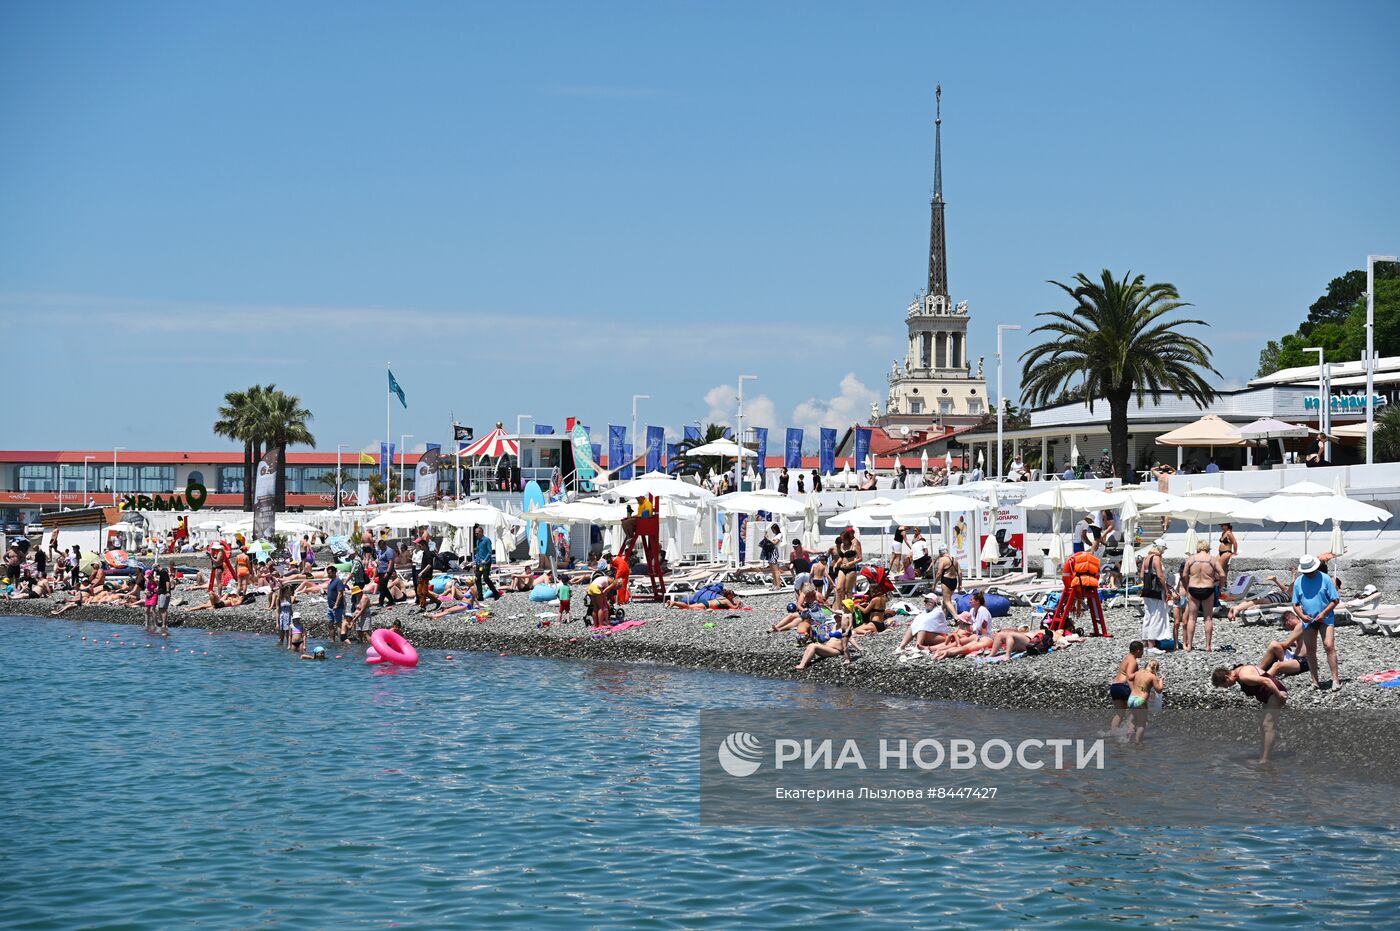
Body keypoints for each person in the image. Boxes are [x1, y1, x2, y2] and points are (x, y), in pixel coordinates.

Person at [1211, 664, 1286, 763]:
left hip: (1274, 693)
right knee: (1263, 726)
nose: (1228, 687)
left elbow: (1267, 680)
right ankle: (1262, 756)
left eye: (1226, 685)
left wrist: (1279, 695)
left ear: (1226, 677)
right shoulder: (1238, 673)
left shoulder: (1243, 676)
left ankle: (1265, 760)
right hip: (1268, 696)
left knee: (1268, 725)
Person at [1288, 553, 1341, 689]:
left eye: (1310, 571)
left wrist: (1324, 613)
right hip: (1308, 619)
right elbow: (1295, 604)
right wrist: (1301, 615)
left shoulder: (1326, 579)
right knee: (1310, 650)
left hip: (1326, 617)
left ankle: (1335, 679)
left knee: (1329, 645)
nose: (1309, 574)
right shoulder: (1299, 581)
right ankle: (1314, 681)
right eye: (1307, 572)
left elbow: (1335, 600)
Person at [1180, 540, 1224, 651]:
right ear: (1207, 548)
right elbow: (1222, 574)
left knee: (1192, 618)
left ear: (1198, 547)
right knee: (1208, 618)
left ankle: (1189, 645)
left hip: (1193, 588)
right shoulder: (1212, 559)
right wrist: (1220, 586)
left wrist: (1186, 586)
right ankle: (1208, 646)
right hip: (1208, 588)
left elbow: (1184, 574)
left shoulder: (1191, 559)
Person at [1108, 641, 1145, 735]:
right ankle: (1130, 733)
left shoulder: (1126, 658)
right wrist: (1134, 692)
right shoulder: (1132, 661)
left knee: (1120, 714)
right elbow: (1129, 677)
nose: (1143, 653)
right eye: (1142, 650)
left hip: (1115, 687)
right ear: (1137, 650)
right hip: (1123, 687)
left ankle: (1113, 733)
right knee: (1136, 711)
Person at [1140, 541, 1172, 647]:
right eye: (1164, 549)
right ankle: (1151, 644)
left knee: (1148, 615)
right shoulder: (1156, 558)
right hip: (1156, 591)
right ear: (1160, 548)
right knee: (1156, 615)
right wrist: (1166, 590)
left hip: (1147, 590)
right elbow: (1160, 576)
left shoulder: (1146, 558)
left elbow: (1141, 576)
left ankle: (1145, 641)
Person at [1126, 661, 1164, 745]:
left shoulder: (1137, 672)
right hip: (1141, 700)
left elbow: (1129, 678)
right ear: (1155, 669)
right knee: (1141, 723)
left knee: (1132, 720)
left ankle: (1128, 739)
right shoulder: (1152, 676)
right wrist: (1161, 680)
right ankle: (1138, 743)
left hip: (1131, 698)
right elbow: (1159, 690)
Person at [831, 528, 863, 605]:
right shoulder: (842, 545)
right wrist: (837, 564)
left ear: (847, 539)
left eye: (843, 539)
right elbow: (842, 557)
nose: (842, 541)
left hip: (851, 569)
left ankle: (848, 610)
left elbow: (860, 558)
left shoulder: (855, 544)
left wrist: (851, 563)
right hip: (842, 568)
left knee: (848, 591)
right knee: (839, 589)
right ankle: (839, 608)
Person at [932, 542, 960, 621]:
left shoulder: (942, 559)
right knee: (946, 600)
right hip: (954, 581)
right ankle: (943, 619)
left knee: (947, 601)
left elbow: (939, 573)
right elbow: (960, 572)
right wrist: (960, 584)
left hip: (946, 580)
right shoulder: (954, 559)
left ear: (940, 552)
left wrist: (934, 584)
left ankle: (956, 618)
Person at [472, 526, 501, 600]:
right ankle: (480, 596)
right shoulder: (477, 541)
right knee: (477, 579)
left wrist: (485, 560)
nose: (476, 534)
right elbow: (478, 552)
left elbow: (489, 552)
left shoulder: (487, 540)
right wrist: (476, 562)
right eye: (475, 533)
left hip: (486, 562)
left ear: (481, 532)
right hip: (479, 562)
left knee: (485, 578)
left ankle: (495, 593)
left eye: (477, 533)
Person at [324, 565, 347, 641]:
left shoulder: (338, 581)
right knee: (330, 624)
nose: (328, 575)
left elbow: (340, 593)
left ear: (334, 572)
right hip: (330, 607)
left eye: (329, 573)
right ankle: (332, 640)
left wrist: (336, 604)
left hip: (337, 607)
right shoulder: (331, 582)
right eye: (328, 573)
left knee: (338, 624)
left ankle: (341, 640)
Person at [760, 523, 784, 589]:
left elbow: (775, 543)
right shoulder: (775, 535)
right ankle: (775, 584)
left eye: (773, 530)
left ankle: (778, 585)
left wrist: (768, 539)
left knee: (776, 570)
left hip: (774, 552)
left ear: (776, 529)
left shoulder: (779, 535)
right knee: (773, 570)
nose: (773, 531)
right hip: (771, 552)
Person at [375, 538, 398, 607]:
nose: (381, 548)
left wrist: (388, 573)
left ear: (384, 545)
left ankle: (381, 602)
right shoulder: (380, 551)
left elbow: (391, 562)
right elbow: (378, 558)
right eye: (380, 547)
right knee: (383, 587)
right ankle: (390, 600)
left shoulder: (389, 551)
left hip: (386, 571)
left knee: (382, 587)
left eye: (382, 547)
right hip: (380, 571)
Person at [276, 583, 296, 649]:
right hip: (282, 617)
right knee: (281, 637)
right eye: (288, 590)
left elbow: (291, 609)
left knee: (289, 635)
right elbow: (277, 611)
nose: (289, 591)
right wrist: (277, 623)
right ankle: (279, 649)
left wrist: (294, 619)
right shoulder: (279, 598)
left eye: (290, 590)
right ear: (285, 590)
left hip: (289, 617)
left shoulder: (290, 598)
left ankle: (288, 647)